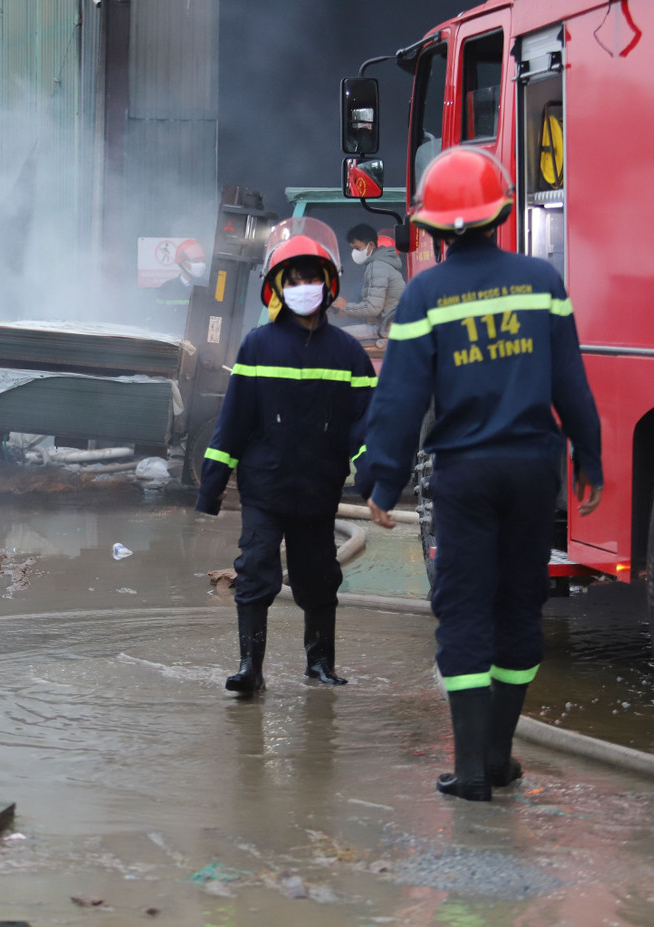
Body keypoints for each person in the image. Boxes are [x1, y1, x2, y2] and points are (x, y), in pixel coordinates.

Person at [362, 146, 603, 801]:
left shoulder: (425, 294)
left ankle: (470, 770)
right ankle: (498, 758)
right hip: (533, 472)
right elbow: (571, 381)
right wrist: (591, 453)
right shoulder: (541, 283)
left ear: (435, 229)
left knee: (465, 611)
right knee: (520, 607)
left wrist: (380, 480)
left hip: (465, 476)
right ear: (501, 215)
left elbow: (400, 399)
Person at [195, 224, 376, 695]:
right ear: (277, 288)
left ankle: (319, 665)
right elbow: (232, 422)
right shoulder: (257, 346)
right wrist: (211, 485)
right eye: (292, 280)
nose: (302, 289)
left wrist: (375, 474)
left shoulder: (350, 354)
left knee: (319, 579)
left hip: (318, 491)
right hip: (265, 489)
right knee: (256, 571)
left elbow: (365, 426)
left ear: (328, 285)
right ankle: (250, 669)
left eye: (310, 279)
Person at [331, 223, 406, 340]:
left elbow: (373, 308)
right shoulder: (380, 264)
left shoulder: (377, 266)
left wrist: (346, 307)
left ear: (371, 245)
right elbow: (373, 304)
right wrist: (342, 312)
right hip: (387, 324)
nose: (354, 253)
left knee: (334, 336)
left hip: (387, 328)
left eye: (357, 248)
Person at [152, 239, 208, 333]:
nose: (200, 264)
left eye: (202, 260)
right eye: (196, 260)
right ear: (182, 262)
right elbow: (156, 318)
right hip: (172, 341)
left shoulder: (208, 287)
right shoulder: (166, 288)